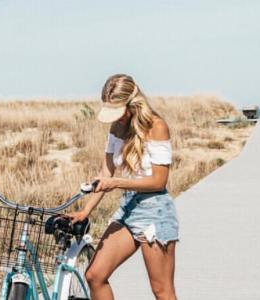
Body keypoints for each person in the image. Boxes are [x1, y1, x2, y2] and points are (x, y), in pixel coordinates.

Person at [66, 74, 179, 300]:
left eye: (118, 111)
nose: (115, 119)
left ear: (132, 103)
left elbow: (159, 182)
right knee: (95, 276)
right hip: (128, 209)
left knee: (162, 290)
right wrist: (85, 211)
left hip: (154, 212)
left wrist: (116, 183)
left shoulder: (157, 127)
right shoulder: (116, 129)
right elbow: (105, 173)